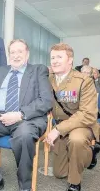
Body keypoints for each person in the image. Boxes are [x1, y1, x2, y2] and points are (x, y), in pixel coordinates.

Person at [0, 39, 53, 191]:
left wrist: (20, 114)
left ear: (27, 54)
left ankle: (25, 184)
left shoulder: (38, 70)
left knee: (24, 135)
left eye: (20, 51)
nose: (16, 55)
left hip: (26, 119)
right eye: (12, 52)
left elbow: (46, 101)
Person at [45, 43, 99, 191]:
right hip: (61, 126)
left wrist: (57, 130)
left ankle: (75, 181)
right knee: (59, 173)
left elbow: (88, 114)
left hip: (81, 124)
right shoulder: (48, 79)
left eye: (59, 57)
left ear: (70, 60)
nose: (54, 61)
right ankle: (85, 152)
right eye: (52, 57)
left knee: (76, 140)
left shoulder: (83, 80)